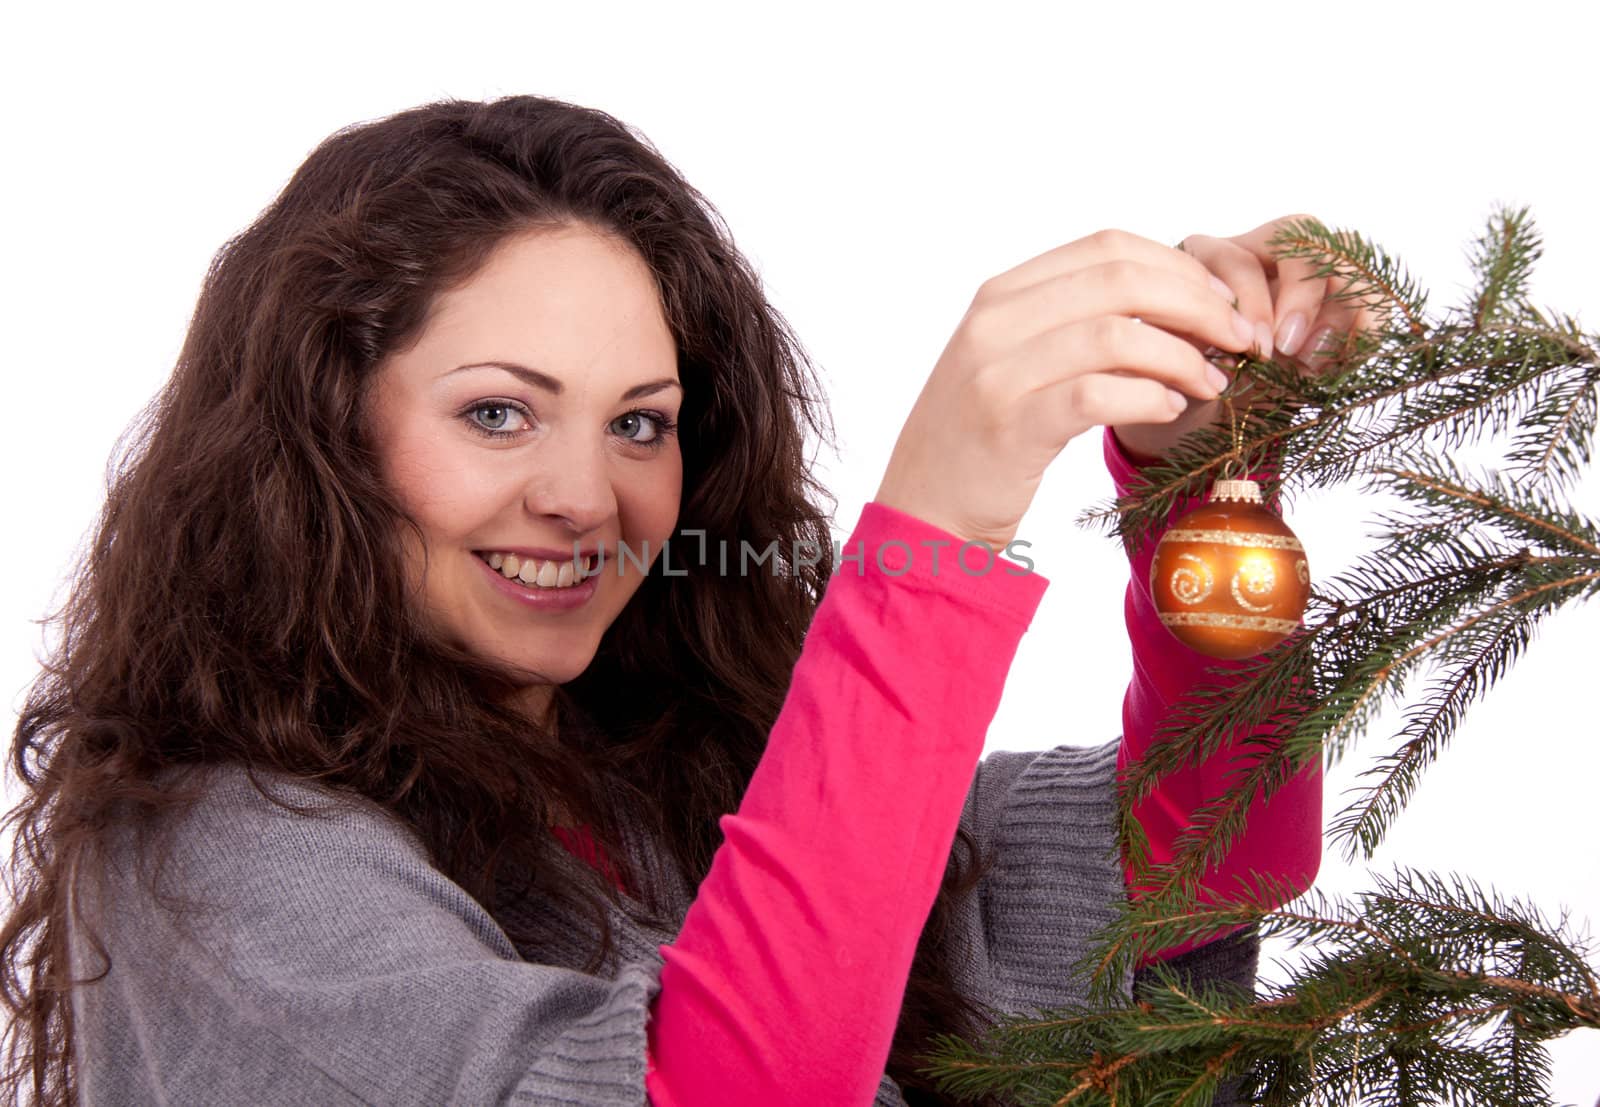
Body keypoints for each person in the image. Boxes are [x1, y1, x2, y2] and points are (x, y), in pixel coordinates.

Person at [0, 95, 1356, 1106]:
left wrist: (1205, 484)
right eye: (496, 413)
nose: (585, 498)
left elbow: (1213, 850)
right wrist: (936, 532)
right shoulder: (218, 864)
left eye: (639, 426)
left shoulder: (660, 783)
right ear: (319, 438)